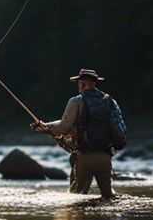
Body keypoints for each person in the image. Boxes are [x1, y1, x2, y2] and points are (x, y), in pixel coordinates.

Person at [31, 69, 126, 198]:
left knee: (77, 198)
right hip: (105, 158)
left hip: (83, 158)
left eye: (79, 83)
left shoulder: (76, 101)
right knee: (108, 197)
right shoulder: (110, 101)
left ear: (82, 83)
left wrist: (45, 127)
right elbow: (119, 131)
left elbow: (64, 127)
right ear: (95, 83)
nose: (78, 86)